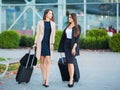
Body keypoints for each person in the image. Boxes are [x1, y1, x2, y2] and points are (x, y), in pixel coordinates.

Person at [33, 9, 56, 87]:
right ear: (46, 14)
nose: (51, 15)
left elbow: (53, 35)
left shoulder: (53, 24)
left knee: (48, 62)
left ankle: (47, 81)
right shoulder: (40, 23)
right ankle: (44, 79)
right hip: (41, 44)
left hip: (48, 44)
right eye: (50, 13)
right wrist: (35, 43)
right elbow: (37, 33)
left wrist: (52, 43)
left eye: (52, 14)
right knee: (42, 62)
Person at [58, 13, 81, 87]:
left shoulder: (78, 27)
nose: (69, 18)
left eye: (70, 17)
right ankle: (70, 78)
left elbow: (77, 39)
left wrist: (74, 48)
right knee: (68, 62)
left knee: (71, 62)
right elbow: (64, 37)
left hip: (72, 45)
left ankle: (71, 79)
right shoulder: (68, 26)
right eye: (69, 17)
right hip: (66, 45)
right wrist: (61, 47)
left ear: (74, 18)